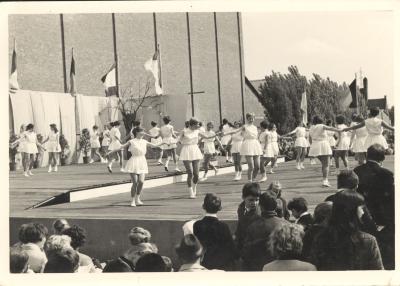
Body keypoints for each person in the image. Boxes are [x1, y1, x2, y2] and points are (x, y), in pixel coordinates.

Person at [310, 191, 384, 270]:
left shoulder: (320, 238)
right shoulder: (368, 240)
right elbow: (378, 271)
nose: (362, 212)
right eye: (361, 208)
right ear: (351, 211)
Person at [353, 144, 394, 269]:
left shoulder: (357, 171)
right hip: (382, 217)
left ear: (366, 155)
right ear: (382, 158)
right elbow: (391, 197)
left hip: (362, 214)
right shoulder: (386, 173)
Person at [108, 127, 164, 206]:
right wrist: (111, 152)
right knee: (135, 182)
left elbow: (155, 145)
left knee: (141, 182)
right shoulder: (131, 141)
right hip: (133, 161)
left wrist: (165, 142)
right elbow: (121, 147)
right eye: (142, 131)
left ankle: (138, 198)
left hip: (142, 162)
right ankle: (133, 200)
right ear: (137, 132)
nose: (144, 133)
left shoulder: (145, 141)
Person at [241, 192, 284, 271]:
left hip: (258, 267)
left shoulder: (252, 226)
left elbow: (246, 251)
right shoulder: (285, 224)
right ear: (276, 206)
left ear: (260, 206)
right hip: (280, 267)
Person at [193, 193, 236, 270]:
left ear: (203, 206)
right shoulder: (223, 226)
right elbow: (231, 248)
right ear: (220, 208)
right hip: (221, 265)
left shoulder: (197, 225)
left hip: (204, 264)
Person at [178, 118, 218, 199]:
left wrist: (217, 134)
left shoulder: (198, 131)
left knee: (196, 174)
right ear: (192, 125)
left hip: (195, 150)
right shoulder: (184, 131)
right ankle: (191, 192)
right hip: (186, 150)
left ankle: (194, 187)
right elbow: (178, 139)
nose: (198, 126)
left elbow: (207, 137)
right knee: (190, 173)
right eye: (197, 125)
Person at [224, 113, 262, 182]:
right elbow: (235, 130)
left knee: (257, 167)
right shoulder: (245, 126)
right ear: (247, 119)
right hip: (248, 145)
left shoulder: (255, 127)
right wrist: (225, 133)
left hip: (255, 145)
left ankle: (253, 179)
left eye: (252, 118)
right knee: (251, 167)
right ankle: (250, 181)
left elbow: (257, 137)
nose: (251, 120)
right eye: (250, 118)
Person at [308, 115, 340, 187]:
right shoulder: (321, 125)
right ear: (321, 120)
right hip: (323, 145)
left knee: (324, 164)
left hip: (315, 146)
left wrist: (312, 146)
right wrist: (339, 130)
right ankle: (325, 181)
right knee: (326, 165)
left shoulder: (311, 127)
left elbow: (310, 139)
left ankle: (325, 180)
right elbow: (330, 128)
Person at [234, 183, 261, 254]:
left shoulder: (259, 214)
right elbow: (240, 225)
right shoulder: (241, 208)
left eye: (257, 200)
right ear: (243, 197)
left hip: (254, 248)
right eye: (251, 200)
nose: (254, 203)